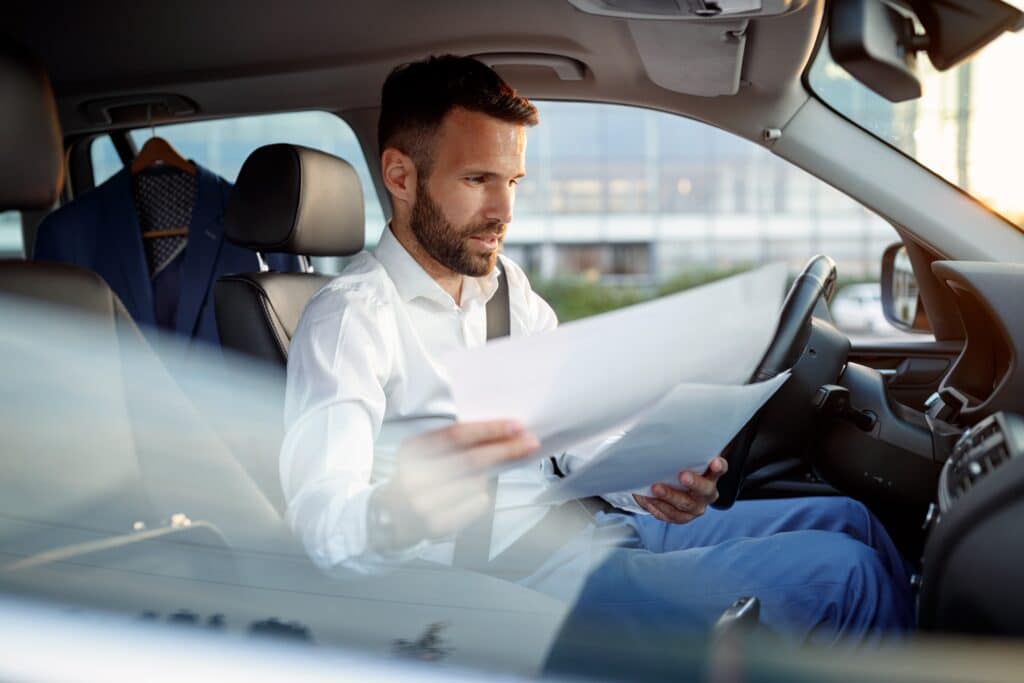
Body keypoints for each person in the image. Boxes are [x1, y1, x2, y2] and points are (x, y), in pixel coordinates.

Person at [281, 55, 914, 651]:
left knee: (849, 521)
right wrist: (401, 510)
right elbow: (322, 527)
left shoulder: (508, 291)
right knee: (847, 576)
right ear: (400, 176)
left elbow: (574, 435)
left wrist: (656, 482)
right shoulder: (349, 320)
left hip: (594, 529)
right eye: (477, 180)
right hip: (507, 587)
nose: (503, 210)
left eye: (513, 182)